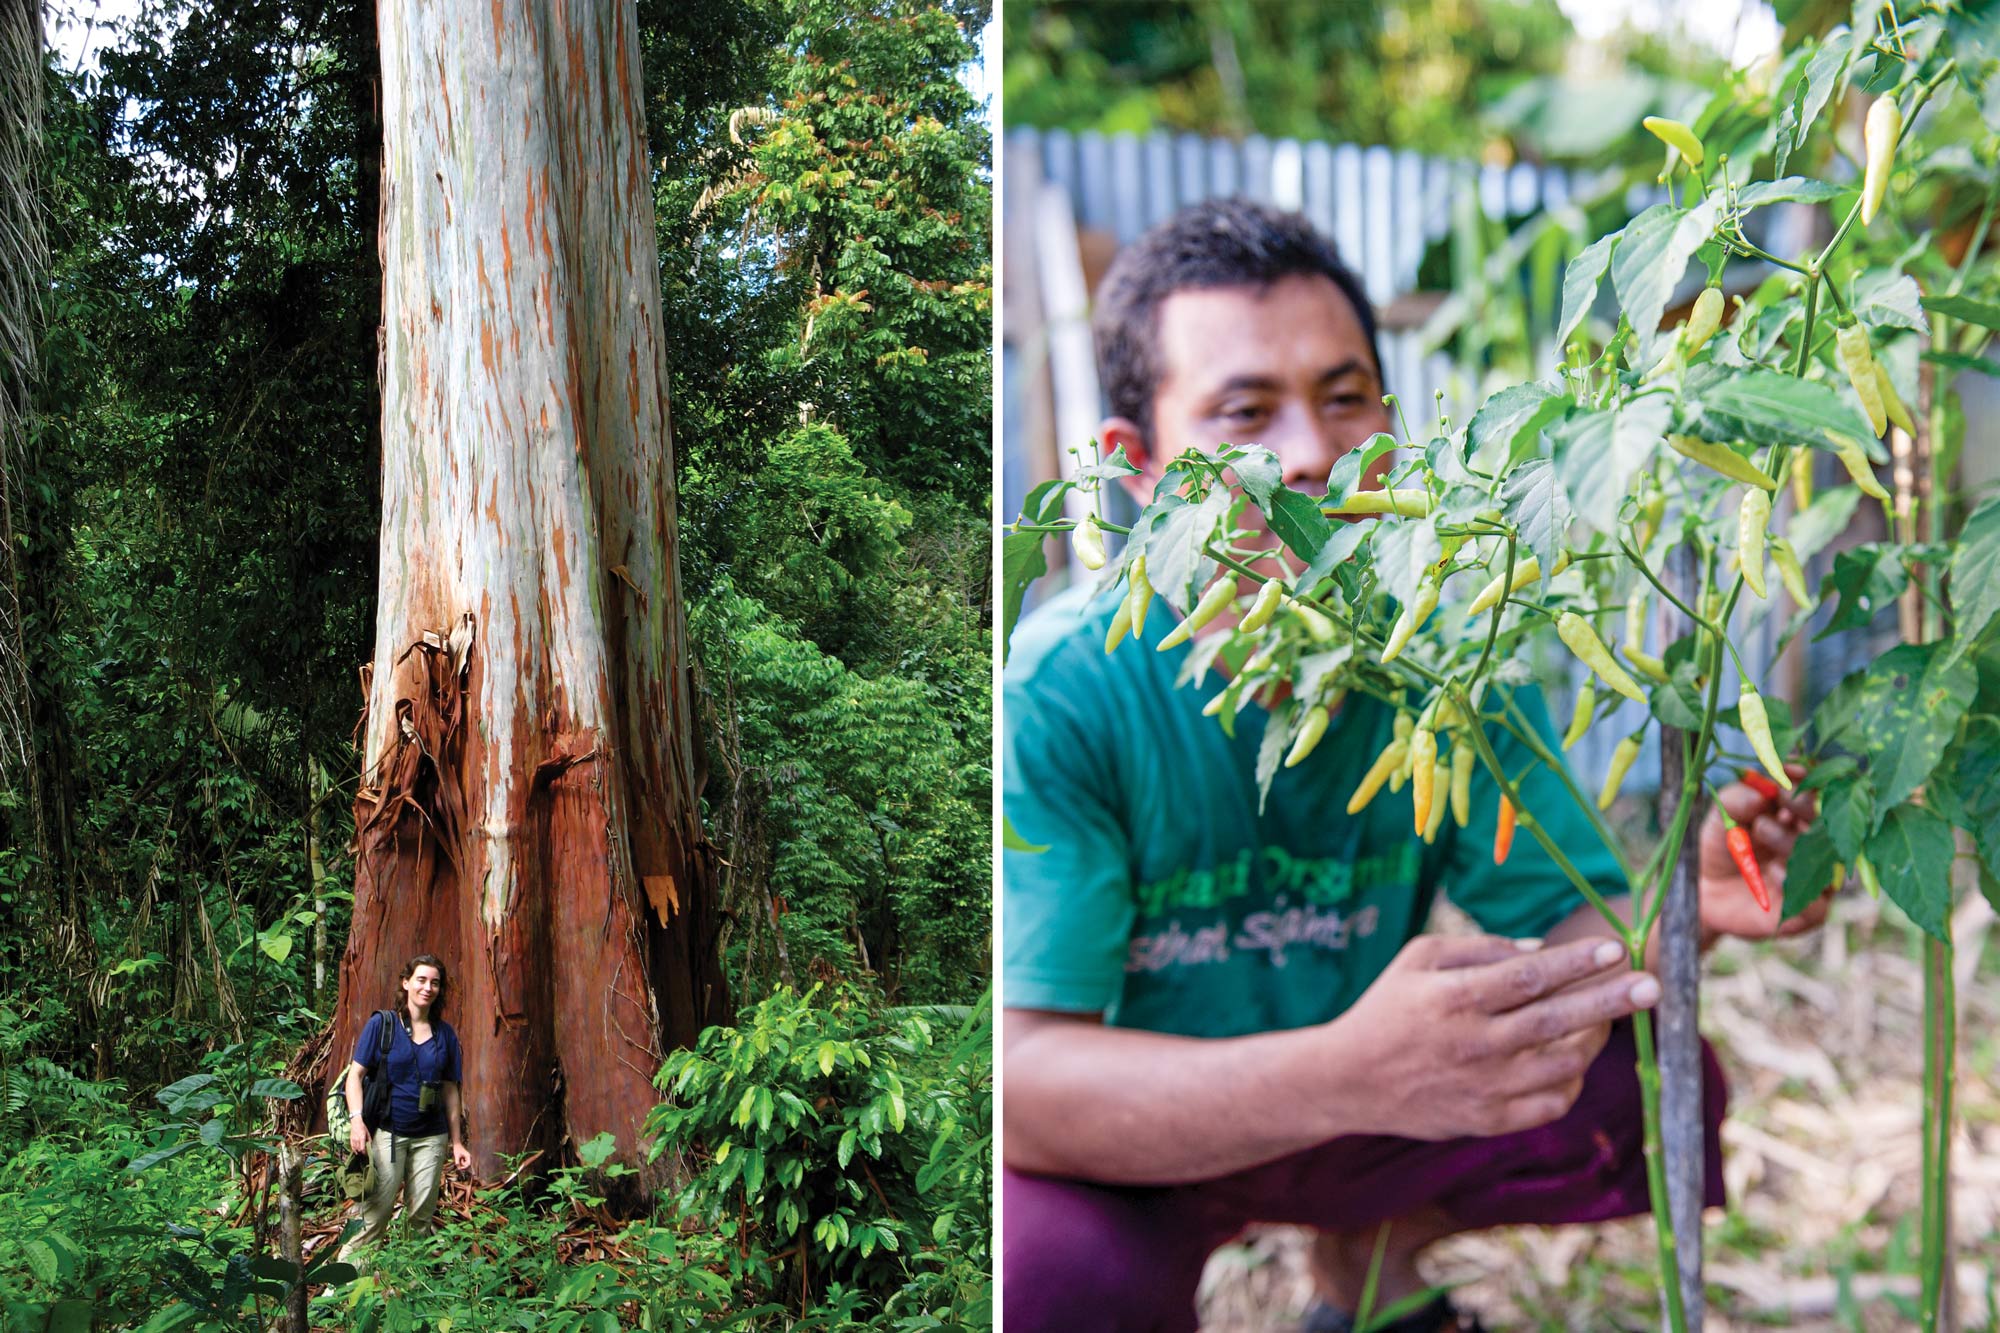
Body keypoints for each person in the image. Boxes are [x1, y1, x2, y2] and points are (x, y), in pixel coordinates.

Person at [1001, 198, 1825, 1333]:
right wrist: (1341, 1072)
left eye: (1345, 398)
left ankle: (1369, 1257)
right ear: (1134, 466)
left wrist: (1687, 900)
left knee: (1630, 1086)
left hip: (1365, 1117)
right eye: (1244, 413)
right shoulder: (1062, 690)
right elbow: (1021, 1085)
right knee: (1047, 1281)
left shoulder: (1445, 651)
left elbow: (1581, 938)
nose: (1309, 453)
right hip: (1151, 1134)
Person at [339, 953, 471, 1256]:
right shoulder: (382, 1025)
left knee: (420, 1221)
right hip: (390, 1133)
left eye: (435, 983)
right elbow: (354, 1076)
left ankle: (410, 1278)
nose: (427, 988)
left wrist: (457, 1142)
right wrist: (357, 1121)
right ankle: (343, 1280)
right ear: (406, 982)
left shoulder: (445, 1035)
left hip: (431, 1137)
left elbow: (451, 1090)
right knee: (373, 1217)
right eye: (421, 980)